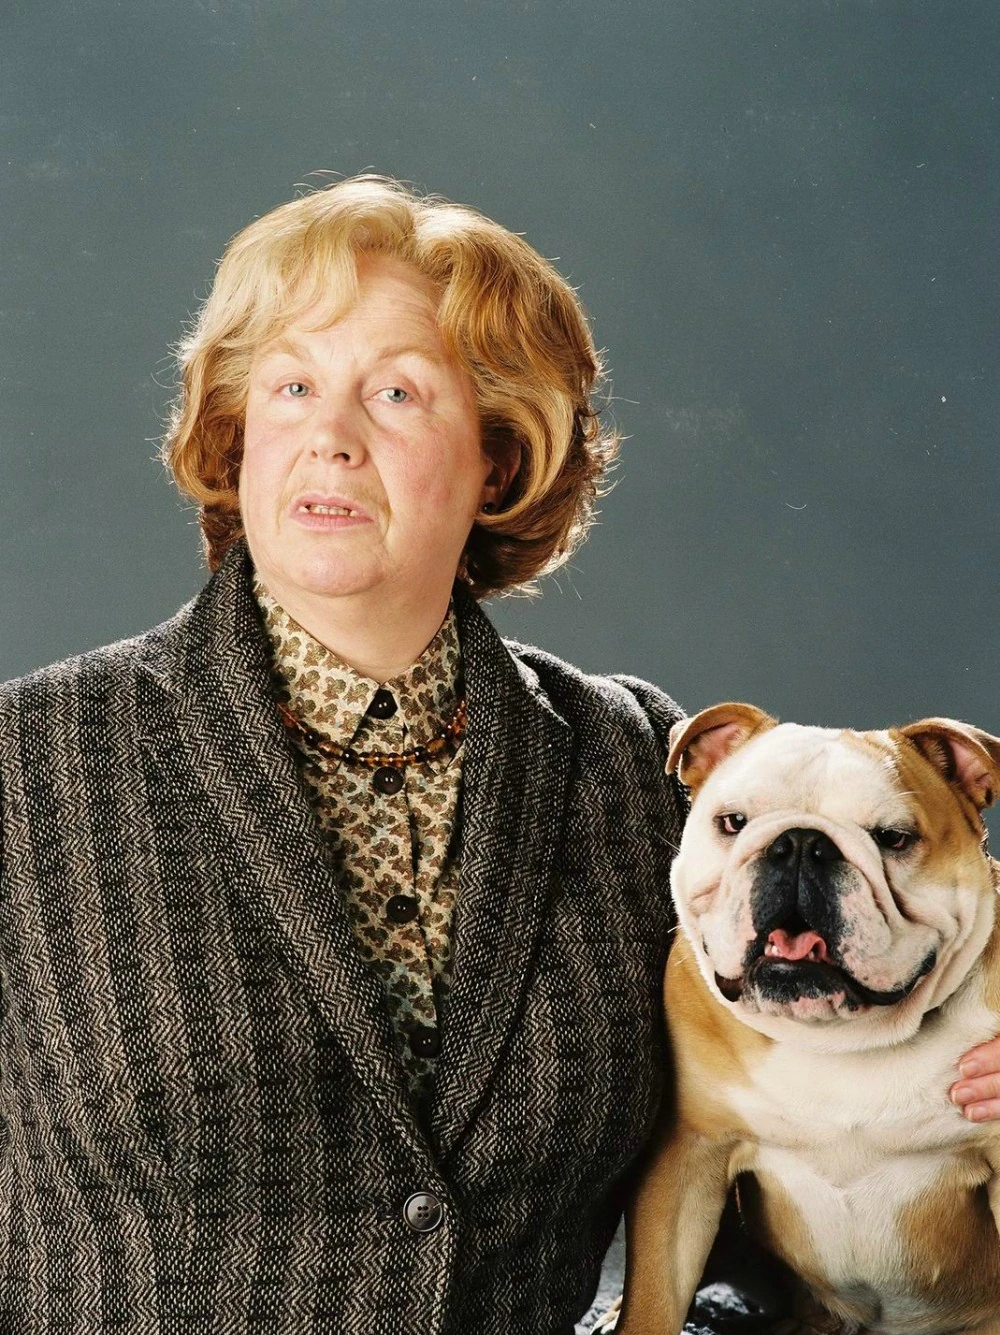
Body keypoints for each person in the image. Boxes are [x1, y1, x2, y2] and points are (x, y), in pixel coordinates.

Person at [0, 175, 996, 1335]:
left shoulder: (636, 762)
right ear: (238, 430)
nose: (329, 438)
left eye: (396, 392)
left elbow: (772, 1158)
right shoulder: (26, 761)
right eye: (291, 386)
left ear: (502, 459)